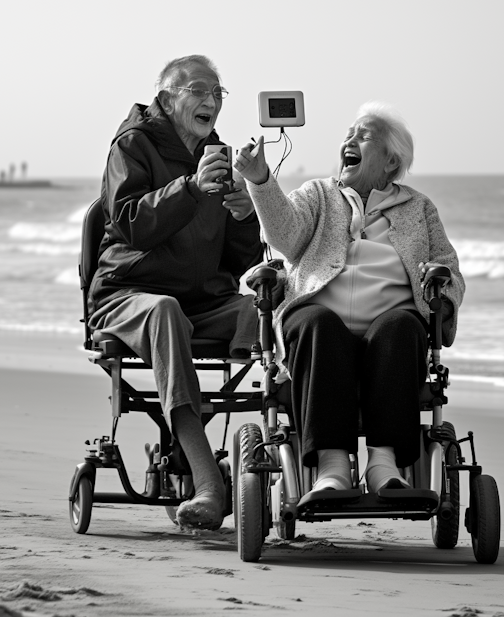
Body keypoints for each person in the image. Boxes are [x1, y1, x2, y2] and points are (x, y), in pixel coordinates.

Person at [234, 102, 465, 495]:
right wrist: (260, 180)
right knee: (318, 323)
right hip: (317, 317)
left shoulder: (418, 207)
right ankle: (332, 467)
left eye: (364, 135)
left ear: (391, 162)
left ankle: (383, 465)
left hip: (390, 320)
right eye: (349, 134)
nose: (349, 140)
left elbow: (448, 268)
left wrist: (442, 289)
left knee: (401, 326)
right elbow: (285, 237)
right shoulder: (318, 195)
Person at [88, 55, 263, 529]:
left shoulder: (220, 154)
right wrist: (188, 187)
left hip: (202, 301)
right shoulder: (133, 145)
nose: (212, 101)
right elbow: (128, 223)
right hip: (129, 294)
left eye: (218, 93)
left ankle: (292, 468)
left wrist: (248, 216)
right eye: (200, 91)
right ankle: (209, 483)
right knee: (165, 312)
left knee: (267, 310)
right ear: (167, 98)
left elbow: (239, 262)